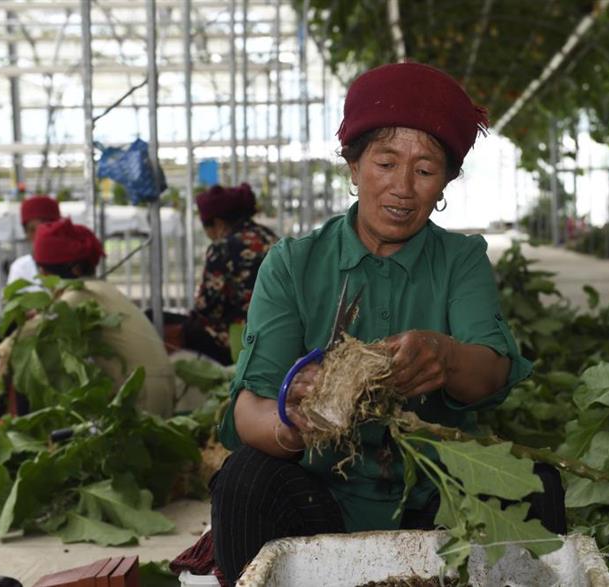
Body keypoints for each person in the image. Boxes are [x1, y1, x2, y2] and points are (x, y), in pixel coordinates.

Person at [209, 62, 566, 582]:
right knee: (244, 480)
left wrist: (445, 357)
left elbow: (491, 372)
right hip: (320, 497)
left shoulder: (460, 260)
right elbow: (250, 409)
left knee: (537, 482)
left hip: (435, 498)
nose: (402, 188)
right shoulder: (293, 263)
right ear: (353, 166)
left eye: (424, 171)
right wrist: (293, 426)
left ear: (445, 182)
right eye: (385, 162)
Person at [0, 218, 176, 417]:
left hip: (141, 393)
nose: (42, 276)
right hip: (158, 385)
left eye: (44, 271)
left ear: (73, 270)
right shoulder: (102, 289)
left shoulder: (78, 295)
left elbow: (19, 340)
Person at [169, 183, 277, 365]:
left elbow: (208, 307)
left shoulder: (223, 248)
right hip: (279, 329)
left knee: (167, 325)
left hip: (244, 336)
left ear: (218, 223)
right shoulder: (270, 237)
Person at [0, 195, 62, 351]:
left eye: (44, 227)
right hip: (34, 328)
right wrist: (29, 313)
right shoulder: (21, 266)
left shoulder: (69, 261)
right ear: (26, 234)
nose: (38, 235)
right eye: (32, 230)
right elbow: (14, 307)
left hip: (61, 326)